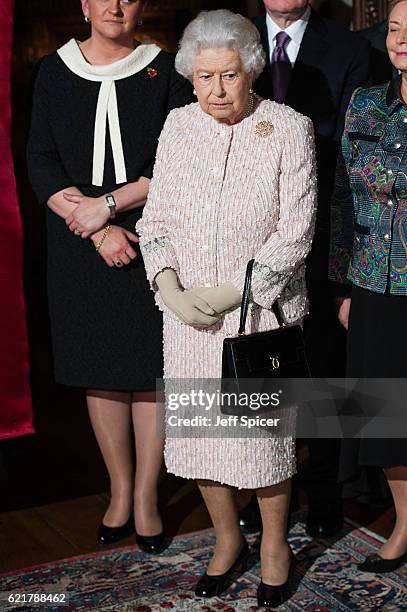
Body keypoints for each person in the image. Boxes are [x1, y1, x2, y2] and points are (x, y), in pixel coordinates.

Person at [137, 9, 317, 607]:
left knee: (261, 441)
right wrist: (167, 286)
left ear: (251, 71)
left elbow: (296, 231)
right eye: (205, 76)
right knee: (201, 439)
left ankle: (273, 546)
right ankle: (224, 541)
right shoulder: (177, 128)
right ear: (190, 76)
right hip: (188, 321)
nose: (216, 90)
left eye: (230, 75)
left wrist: (233, 292)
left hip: (256, 318)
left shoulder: (289, 128)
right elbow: (155, 219)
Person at [26, 0, 191, 552]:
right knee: (99, 367)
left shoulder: (164, 68)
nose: (116, 6)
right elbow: (40, 161)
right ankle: (118, 489)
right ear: (84, 5)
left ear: (142, 6)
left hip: (150, 234)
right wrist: (96, 226)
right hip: (77, 240)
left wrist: (113, 207)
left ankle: (147, 494)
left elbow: (176, 158)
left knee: (148, 369)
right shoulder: (53, 70)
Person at [250, 0, 371, 538]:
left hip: (318, 236)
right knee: (255, 363)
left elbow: (350, 150)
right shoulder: (227, 39)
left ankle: (324, 490)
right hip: (244, 240)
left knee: (324, 367)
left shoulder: (349, 50)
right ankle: (256, 486)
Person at [329, 0, 407, 573]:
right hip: (375, 283)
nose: (401, 39)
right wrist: (344, 287)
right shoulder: (364, 105)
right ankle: (406, 524)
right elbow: (342, 200)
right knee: (384, 414)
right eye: (396, 28)